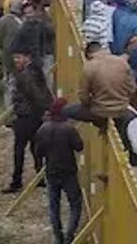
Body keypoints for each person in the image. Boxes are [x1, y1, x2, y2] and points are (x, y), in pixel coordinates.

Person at [34, 98, 85, 243]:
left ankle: (58, 237)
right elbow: (79, 146)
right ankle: (70, 235)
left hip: (51, 170)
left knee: (53, 205)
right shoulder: (69, 128)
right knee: (75, 203)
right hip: (68, 171)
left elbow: (38, 152)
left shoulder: (43, 129)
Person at [4, 43, 52, 193]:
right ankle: (40, 177)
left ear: (27, 58)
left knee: (20, 148)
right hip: (35, 115)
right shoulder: (35, 71)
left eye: (18, 57)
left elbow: (35, 94)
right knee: (35, 148)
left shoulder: (25, 75)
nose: (16, 61)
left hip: (26, 116)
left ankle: (16, 181)